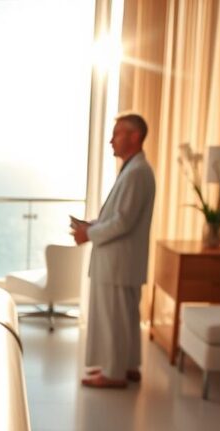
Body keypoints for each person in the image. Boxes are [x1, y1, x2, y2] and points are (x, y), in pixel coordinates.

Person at [71, 112, 156, 388]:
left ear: (134, 136)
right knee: (126, 317)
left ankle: (113, 373)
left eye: (116, 133)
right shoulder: (134, 169)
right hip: (123, 260)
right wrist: (93, 224)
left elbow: (123, 221)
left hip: (118, 262)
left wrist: (88, 234)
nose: (110, 140)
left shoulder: (137, 173)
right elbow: (121, 215)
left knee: (115, 319)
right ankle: (128, 366)